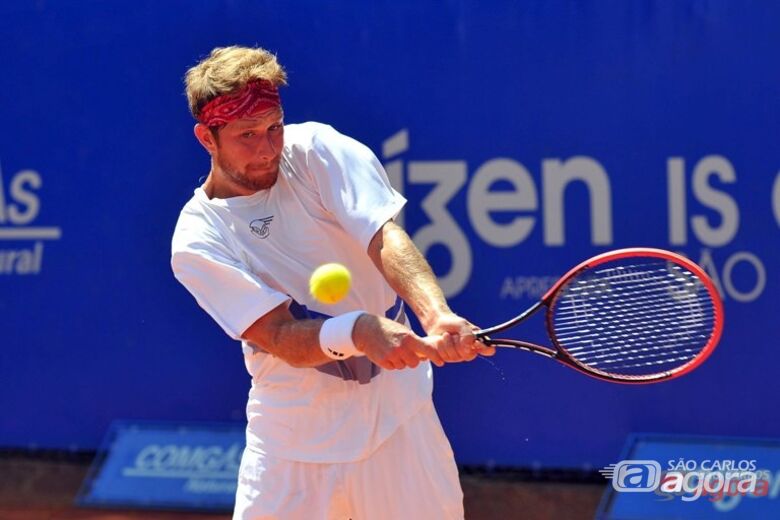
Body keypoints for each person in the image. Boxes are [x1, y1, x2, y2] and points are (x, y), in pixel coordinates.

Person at [171, 45, 494, 520]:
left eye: (274, 128)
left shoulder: (318, 151)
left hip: (400, 427)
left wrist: (435, 313)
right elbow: (279, 335)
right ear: (207, 138)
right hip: (292, 446)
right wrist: (360, 331)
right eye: (247, 135)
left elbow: (384, 238)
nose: (267, 148)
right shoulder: (197, 239)